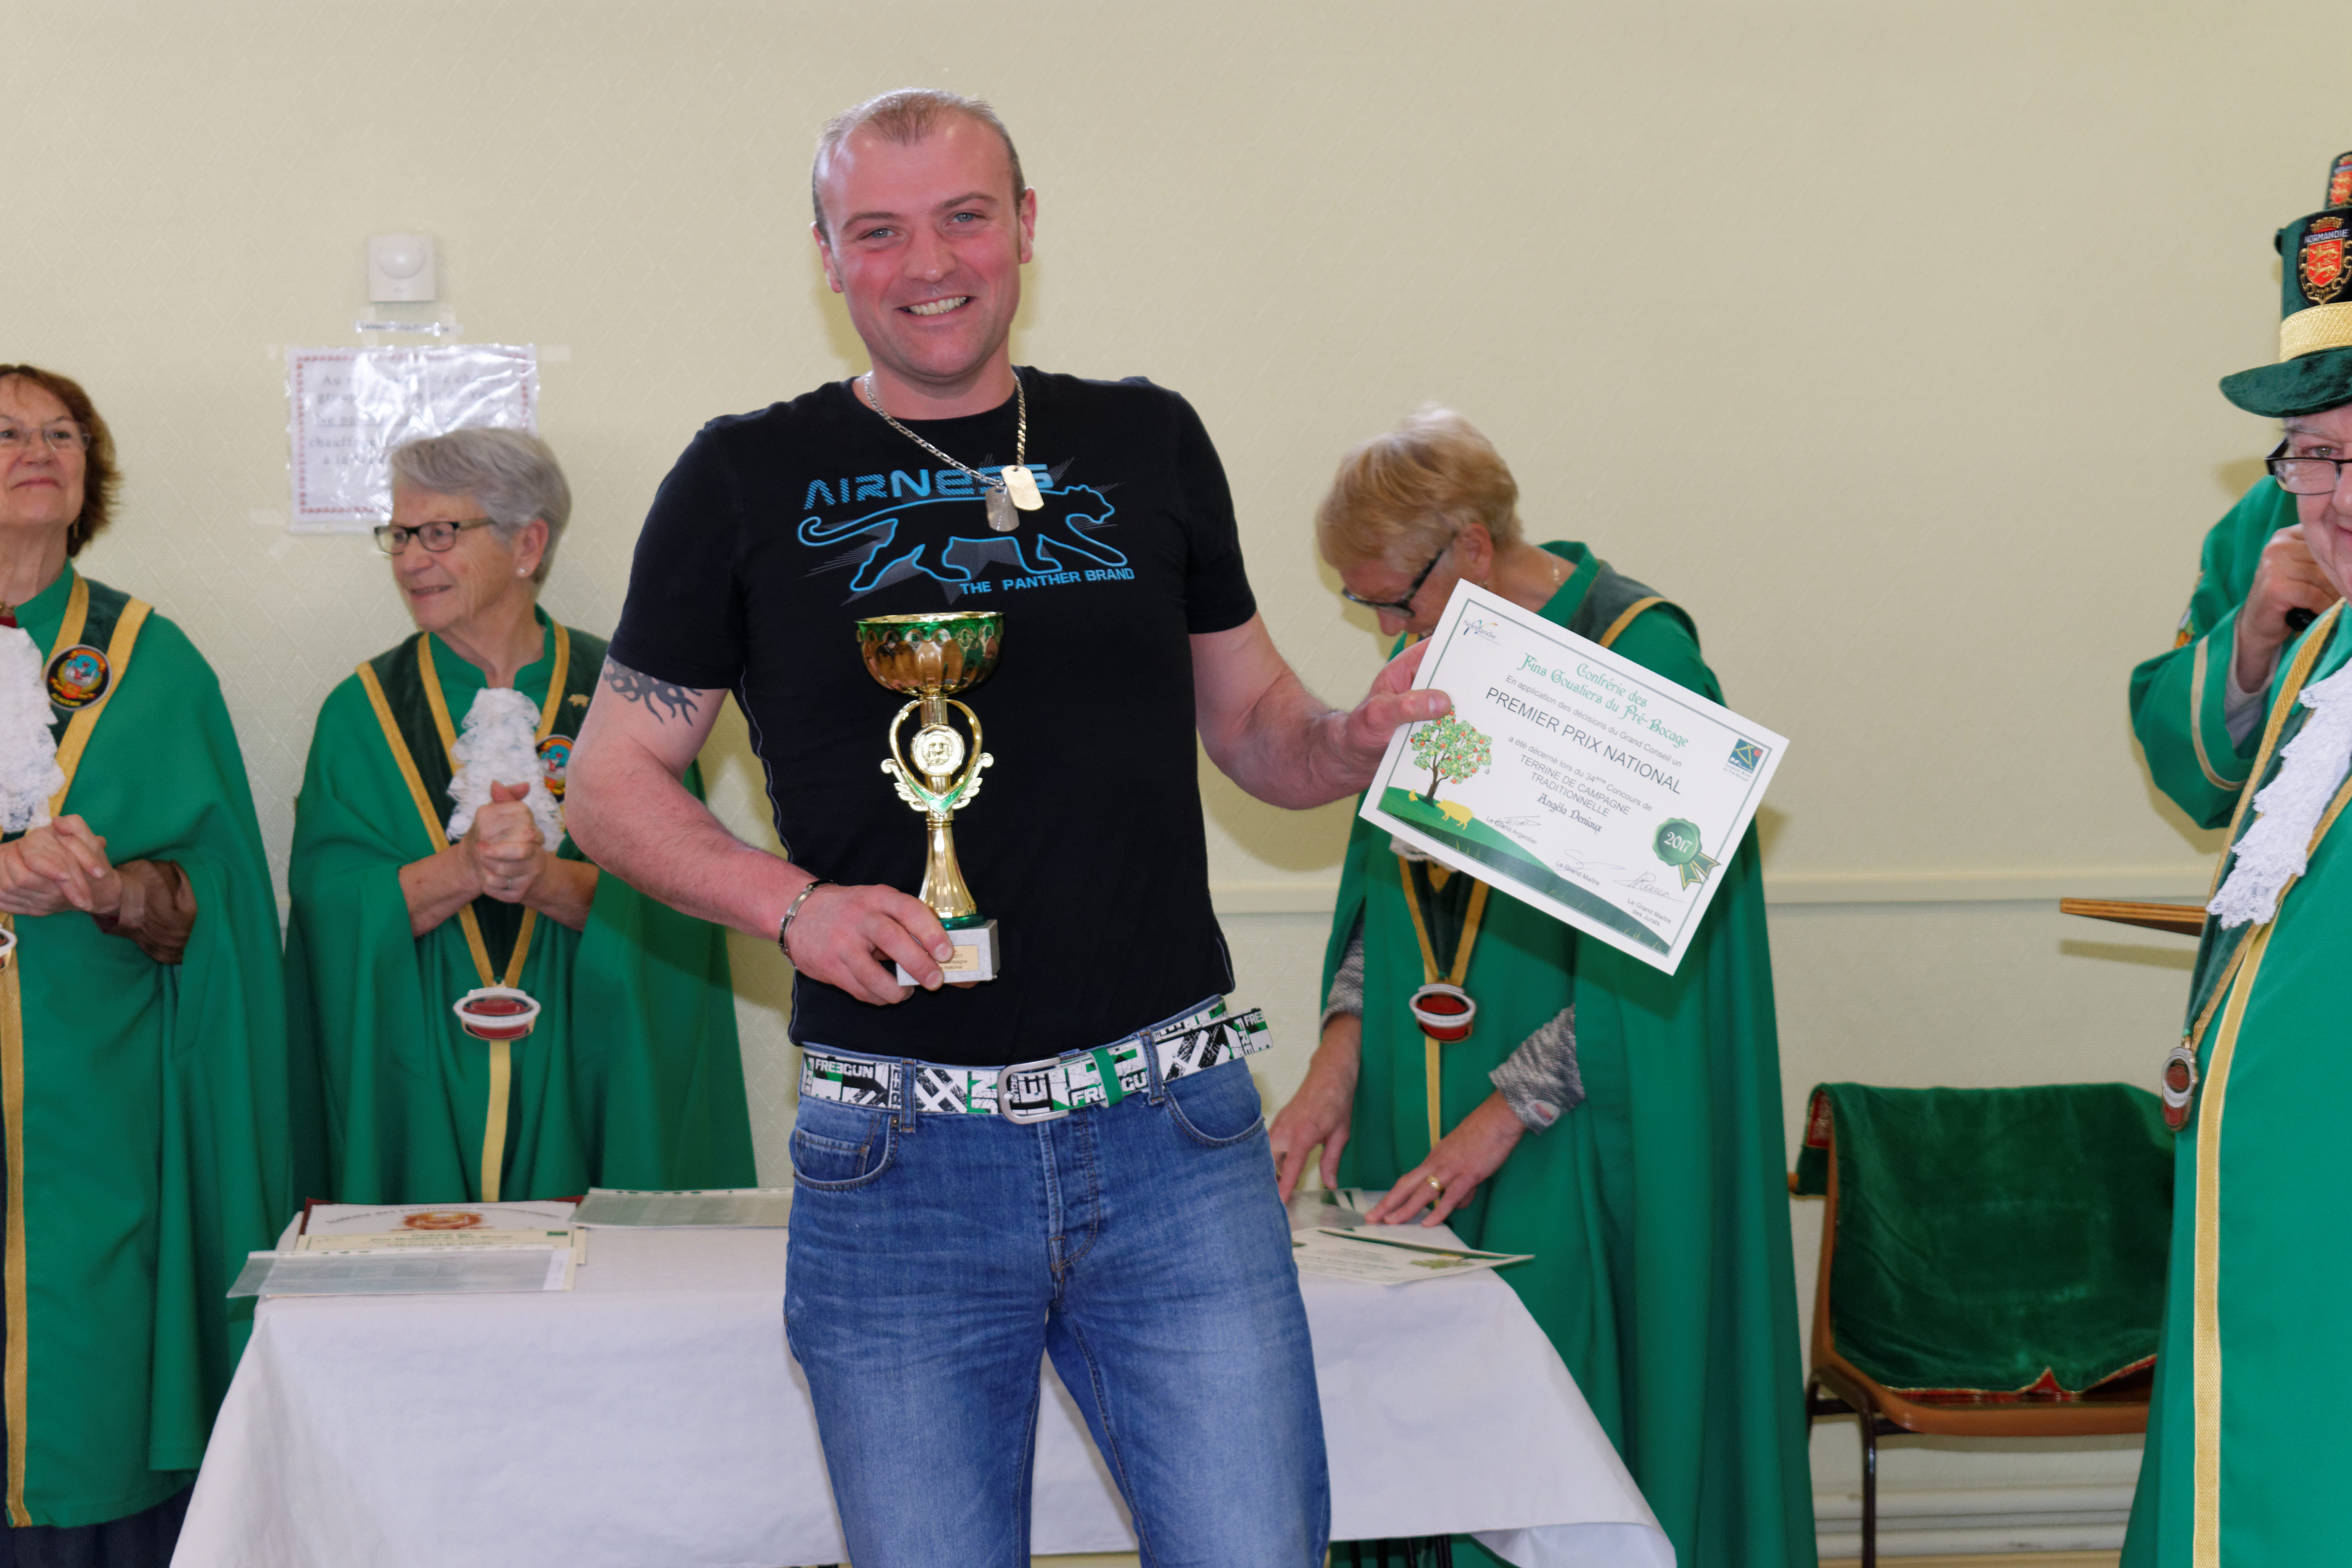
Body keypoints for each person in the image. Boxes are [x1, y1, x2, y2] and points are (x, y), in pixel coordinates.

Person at [565, 89, 1448, 1568]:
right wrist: (795, 909)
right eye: (878, 231)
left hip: (1174, 1136)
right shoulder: (742, 478)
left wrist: (1347, 744)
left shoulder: (1148, 439)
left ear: (1026, 227)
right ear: (826, 256)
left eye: (965, 217)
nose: (929, 263)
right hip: (897, 1157)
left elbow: (1256, 728)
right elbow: (609, 784)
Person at [1266, 408, 1816, 1568]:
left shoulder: (1642, 656)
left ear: (1469, 545)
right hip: (1419, 1116)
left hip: (1577, 1135)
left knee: (1558, 1429)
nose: (1384, 630)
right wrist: (1336, 1060)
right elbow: (1387, 888)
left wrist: (1503, 1113)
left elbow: (1661, 958)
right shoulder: (1434, 663)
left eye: (1392, 599)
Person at [287, 427, 753, 1204]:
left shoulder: (632, 700)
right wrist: (464, 868)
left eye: (440, 533)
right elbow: (327, 909)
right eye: (400, 535)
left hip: (589, 1053)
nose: (410, 560)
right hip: (416, 1071)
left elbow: (683, 900)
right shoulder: (359, 711)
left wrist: (545, 880)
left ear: (528, 544)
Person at [0, 365, 290, 1560]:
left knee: (96, 1354)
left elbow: (218, 887)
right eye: (7, 431)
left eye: (63, 432)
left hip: (104, 1088)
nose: (40, 449)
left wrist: (116, 890)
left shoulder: (151, 658)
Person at [2120, 203, 2352, 1566]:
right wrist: (2260, 628)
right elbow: (2188, 751)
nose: (2331, 493)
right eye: (2313, 450)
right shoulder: (2269, 534)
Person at [2129, 155, 2352, 815]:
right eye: (2318, 449)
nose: (2344, 499)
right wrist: (2251, 640)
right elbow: (2185, 772)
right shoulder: (2269, 519)